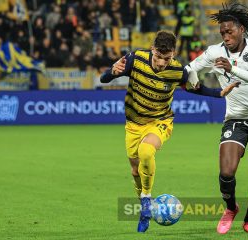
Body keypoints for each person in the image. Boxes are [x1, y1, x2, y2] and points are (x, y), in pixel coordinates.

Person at [100, 30, 238, 233]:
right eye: (158, 57)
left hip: (160, 121)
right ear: (152, 50)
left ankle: (146, 201)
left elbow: (195, 88)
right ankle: (143, 203)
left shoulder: (177, 70)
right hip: (133, 124)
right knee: (134, 169)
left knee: (147, 151)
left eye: (167, 58)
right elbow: (104, 79)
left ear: (173, 54)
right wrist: (111, 72)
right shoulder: (135, 59)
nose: (163, 63)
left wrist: (219, 93)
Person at [186, 2, 248, 235]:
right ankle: (230, 208)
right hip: (235, 119)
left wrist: (232, 69)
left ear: (241, 29)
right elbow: (189, 68)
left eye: (230, 32)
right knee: (226, 172)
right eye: (222, 33)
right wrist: (195, 79)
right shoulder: (214, 52)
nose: (226, 36)